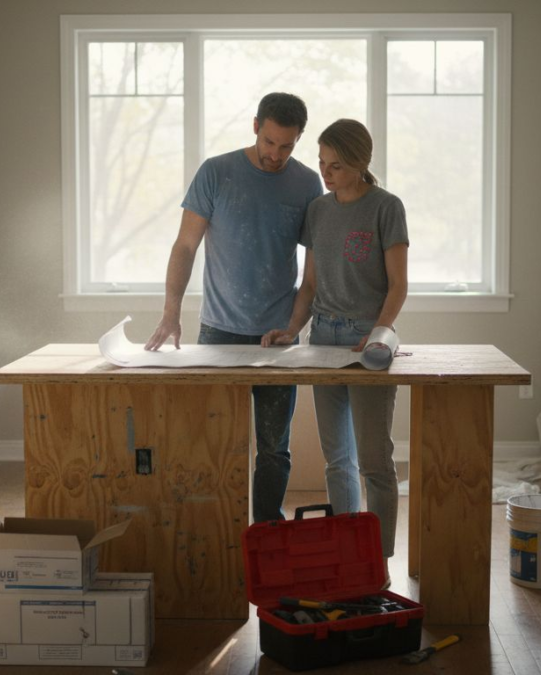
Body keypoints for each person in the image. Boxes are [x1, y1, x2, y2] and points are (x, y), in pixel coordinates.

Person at [145, 93, 323, 523]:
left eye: (287, 146)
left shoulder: (306, 184)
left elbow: (315, 270)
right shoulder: (216, 172)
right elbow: (185, 246)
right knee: (212, 441)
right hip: (218, 333)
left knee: (274, 449)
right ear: (255, 125)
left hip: (277, 338)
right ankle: (216, 531)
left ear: (299, 140)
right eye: (269, 141)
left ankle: (266, 531)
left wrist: (295, 327)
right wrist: (171, 313)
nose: (275, 154)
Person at [261, 119, 408, 584]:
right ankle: (350, 554)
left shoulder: (386, 207)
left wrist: (380, 330)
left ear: (361, 164)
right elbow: (309, 285)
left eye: (336, 166)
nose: (325, 172)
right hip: (322, 338)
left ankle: (378, 563)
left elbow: (399, 284)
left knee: (375, 461)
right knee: (337, 459)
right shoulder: (320, 210)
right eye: (322, 163)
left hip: (369, 343)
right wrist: (290, 329)